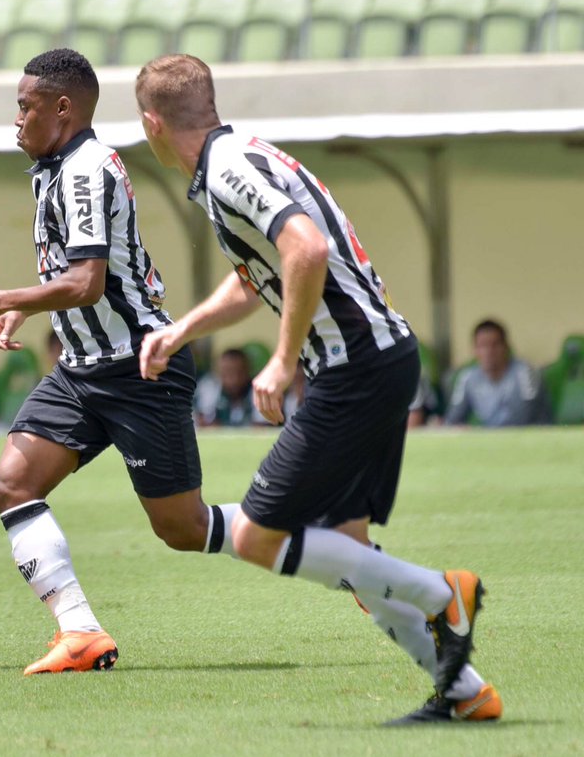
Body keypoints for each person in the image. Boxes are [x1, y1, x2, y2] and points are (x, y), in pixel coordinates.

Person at [135, 53, 499, 725]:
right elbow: (258, 278)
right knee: (349, 552)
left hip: (355, 367)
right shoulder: (241, 156)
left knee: (258, 537)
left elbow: (304, 250)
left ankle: (444, 592)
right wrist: (182, 328)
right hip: (380, 359)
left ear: (152, 123)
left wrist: (280, 362)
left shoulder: (227, 171)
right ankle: (464, 689)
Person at [0, 49, 240, 675]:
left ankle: (320, 533)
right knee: (12, 483)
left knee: (183, 528)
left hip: (140, 368)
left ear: (62, 108)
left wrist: (10, 298)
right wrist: (30, 308)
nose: (17, 119)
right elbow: (77, 278)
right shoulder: (52, 168)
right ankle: (80, 632)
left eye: (26, 106)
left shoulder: (87, 169)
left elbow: (87, 282)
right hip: (82, 371)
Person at [444, 319, 550, 427]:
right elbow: (453, 418)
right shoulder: (468, 377)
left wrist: (477, 431)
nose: (489, 352)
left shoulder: (525, 372)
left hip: (532, 438)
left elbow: (521, 418)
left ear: (506, 347)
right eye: (483, 345)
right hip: (490, 438)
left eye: (495, 345)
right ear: (474, 350)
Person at [194, 347, 265, 427]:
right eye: (227, 373)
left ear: (248, 371)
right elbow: (204, 423)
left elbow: (261, 427)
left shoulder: (258, 391)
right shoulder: (209, 389)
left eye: (239, 373)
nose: (234, 379)